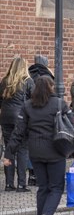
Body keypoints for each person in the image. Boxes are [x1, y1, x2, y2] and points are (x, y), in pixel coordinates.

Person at [3, 76, 74, 215]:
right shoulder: (59, 103)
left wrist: (9, 154)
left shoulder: (27, 106)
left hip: (36, 153)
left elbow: (18, 132)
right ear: (51, 87)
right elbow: (71, 130)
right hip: (56, 151)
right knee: (56, 188)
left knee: (43, 188)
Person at [0, 57, 34, 191]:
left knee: (9, 148)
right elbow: (34, 101)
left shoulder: (4, 82)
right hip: (20, 118)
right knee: (22, 149)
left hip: (5, 118)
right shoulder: (28, 82)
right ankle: (21, 184)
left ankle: (9, 184)